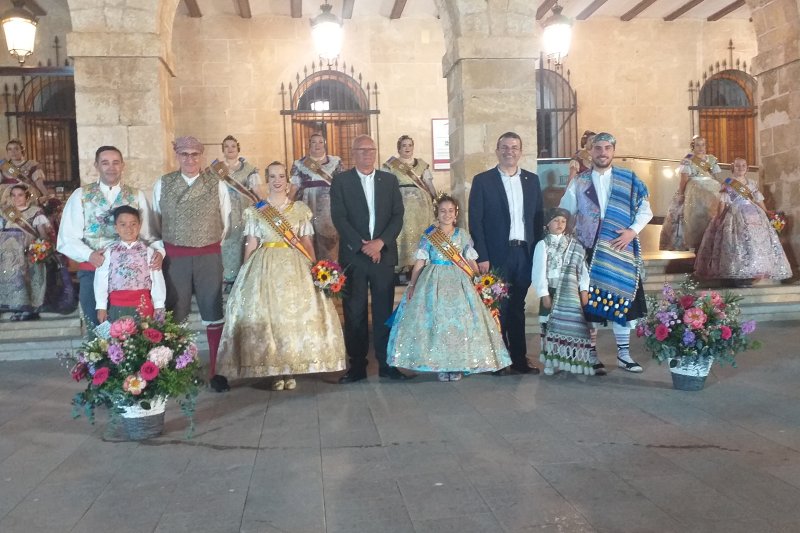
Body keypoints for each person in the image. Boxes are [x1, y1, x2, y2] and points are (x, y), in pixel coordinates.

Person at [217, 162, 346, 390]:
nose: (277, 180)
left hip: (295, 264)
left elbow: (306, 241)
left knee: (292, 319)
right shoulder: (257, 210)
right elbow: (252, 243)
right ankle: (275, 370)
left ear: (287, 182)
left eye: (281, 176)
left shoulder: (299, 209)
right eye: (272, 176)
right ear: (267, 181)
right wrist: (245, 272)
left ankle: (291, 367)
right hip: (265, 264)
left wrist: (316, 269)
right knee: (272, 318)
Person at [387, 193, 511, 381]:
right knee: (438, 324)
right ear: (437, 213)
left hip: (459, 281)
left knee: (461, 324)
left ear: (456, 213)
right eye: (443, 211)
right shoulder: (429, 235)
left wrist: (479, 282)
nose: (447, 214)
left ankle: (458, 364)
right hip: (433, 281)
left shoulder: (463, 235)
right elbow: (420, 262)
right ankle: (441, 365)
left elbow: (470, 261)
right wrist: (412, 284)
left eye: (450, 211)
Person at [559, 132, 652, 373]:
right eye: (597, 148)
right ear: (590, 151)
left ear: (613, 151)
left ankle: (623, 354)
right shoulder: (579, 182)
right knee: (590, 306)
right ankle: (591, 354)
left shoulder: (628, 179)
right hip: (589, 249)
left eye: (607, 148)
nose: (602, 152)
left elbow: (645, 210)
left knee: (624, 302)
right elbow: (565, 213)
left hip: (620, 249)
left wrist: (632, 231)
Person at [152, 136, 231, 392]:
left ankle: (215, 371)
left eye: (195, 154)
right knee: (178, 312)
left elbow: (226, 219)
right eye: (184, 154)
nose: (190, 159)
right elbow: (155, 220)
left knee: (212, 309)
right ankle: (180, 370)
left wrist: (206, 241)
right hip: (175, 257)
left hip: (208, 254)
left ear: (202, 156)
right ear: (177, 156)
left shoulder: (215, 183)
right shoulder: (163, 183)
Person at [330, 134, 408, 383]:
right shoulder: (342, 181)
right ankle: (357, 366)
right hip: (355, 256)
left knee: (385, 310)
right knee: (355, 311)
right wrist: (361, 245)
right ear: (353, 153)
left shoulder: (389, 180)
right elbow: (339, 217)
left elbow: (398, 216)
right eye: (361, 150)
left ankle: (386, 364)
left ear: (375, 152)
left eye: (371, 149)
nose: (367, 154)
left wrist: (380, 243)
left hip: (382, 256)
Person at [57, 146, 163, 328]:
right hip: (93, 270)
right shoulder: (81, 195)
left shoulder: (136, 196)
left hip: (131, 282)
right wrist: (89, 254)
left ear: (123, 165)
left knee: (134, 332)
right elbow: (67, 238)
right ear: (96, 165)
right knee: (98, 330)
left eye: (115, 162)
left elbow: (150, 235)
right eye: (105, 163)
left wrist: (159, 253)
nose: (111, 168)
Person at [468, 131, 544, 375]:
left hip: (524, 253)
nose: (509, 151)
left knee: (517, 308)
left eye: (514, 147)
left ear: (521, 151)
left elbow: (538, 218)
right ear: (497, 150)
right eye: (504, 147)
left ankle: (519, 360)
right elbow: (476, 221)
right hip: (496, 255)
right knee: (497, 308)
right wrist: (482, 256)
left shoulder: (532, 180)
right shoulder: (483, 181)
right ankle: (499, 360)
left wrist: (538, 255)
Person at [695, 157, 792, 285]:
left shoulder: (751, 183)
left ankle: (754, 270)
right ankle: (738, 272)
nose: (741, 168)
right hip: (735, 214)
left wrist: (766, 212)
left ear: (747, 168)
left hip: (754, 214)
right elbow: (723, 200)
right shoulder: (728, 182)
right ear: (732, 167)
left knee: (754, 241)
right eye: (737, 166)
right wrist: (719, 217)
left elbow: (758, 199)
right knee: (737, 242)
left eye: (743, 165)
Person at [532, 208, 593, 376]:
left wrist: (584, 290)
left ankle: (570, 359)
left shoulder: (575, 245)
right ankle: (551, 360)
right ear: (548, 224)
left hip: (571, 292)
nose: (560, 224)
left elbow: (583, 270)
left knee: (570, 328)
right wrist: (544, 294)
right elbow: (538, 271)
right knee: (548, 327)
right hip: (551, 290)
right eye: (556, 220)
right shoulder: (542, 245)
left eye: (563, 221)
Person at [94, 205, 166, 323]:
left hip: (143, 305)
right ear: (116, 227)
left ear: (139, 225)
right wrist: (101, 306)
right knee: (118, 339)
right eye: (123, 224)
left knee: (143, 339)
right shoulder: (108, 252)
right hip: (117, 305)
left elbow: (157, 280)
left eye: (133, 224)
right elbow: (101, 280)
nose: (129, 228)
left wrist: (159, 306)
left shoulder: (149, 252)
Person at [381, 135, 437, 275]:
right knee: (402, 232)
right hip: (401, 207)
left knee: (420, 234)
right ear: (398, 148)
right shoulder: (390, 165)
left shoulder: (422, 165)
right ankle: (402, 267)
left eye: (410, 145)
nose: (407, 148)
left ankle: (419, 265)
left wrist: (436, 199)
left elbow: (429, 184)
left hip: (421, 209)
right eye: (404, 145)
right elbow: (385, 187)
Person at [290, 132, 345, 262]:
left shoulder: (335, 162)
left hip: (328, 206)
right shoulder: (299, 164)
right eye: (314, 142)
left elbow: (343, 184)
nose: (317, 145)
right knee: (306, 238)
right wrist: (288, 203)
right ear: (309, 145)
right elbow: (294, 186)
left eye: (320, 142)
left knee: (329, 240)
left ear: (325, 144)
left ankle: (331, 274)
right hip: (305, 204)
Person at [660, 136, 721, 251]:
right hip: (694, 189)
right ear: (693, 146)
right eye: (698, 145)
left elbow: (716, 177)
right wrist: (682, 194)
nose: (701, 147)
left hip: (712, 189)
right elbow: (684, 179)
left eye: (703, 144)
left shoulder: (711, 159)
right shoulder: (688, 159)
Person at [0, 184, 50, 320]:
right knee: (15, 282)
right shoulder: (4, 213)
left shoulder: (35, 212)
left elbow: (43, 235)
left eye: (20, 195)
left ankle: (29, 310)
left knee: (28, 281)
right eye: (13, 195)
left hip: (28, 253)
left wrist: (40, 248)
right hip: (9, 257)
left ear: (27, 196)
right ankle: (17, 308)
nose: (16, 198)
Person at [218, 135, 262, 290]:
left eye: (233, 146)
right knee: (226, 242)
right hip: (224, 212)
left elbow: (256, 192)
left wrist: (263, 206)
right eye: (226, 146)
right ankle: (227, 278)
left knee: (244, 242)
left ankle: (243, 278)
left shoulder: (249, 169)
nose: (230, 149)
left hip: (244, 212)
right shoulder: (217, 169)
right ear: (223, 149)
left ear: (238, 149)